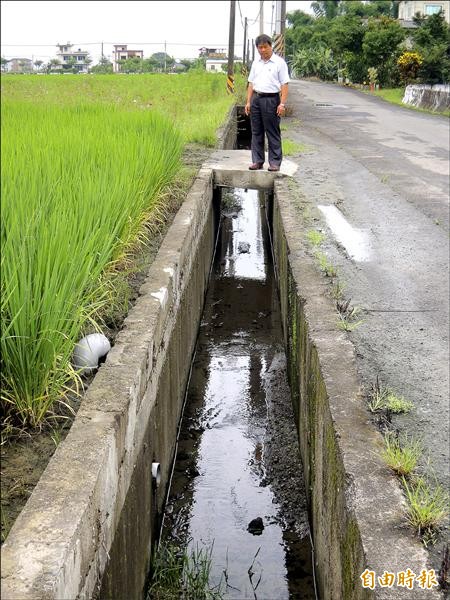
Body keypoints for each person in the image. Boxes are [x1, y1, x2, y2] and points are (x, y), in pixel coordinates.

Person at [245, 34, 290, 172]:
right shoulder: (255, 63)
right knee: (256, 131)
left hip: (271, 99)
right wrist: (248, 102)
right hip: (256, 99)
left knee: (272, 131)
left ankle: (275, 163)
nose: (263, 50)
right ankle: (257, 161)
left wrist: (281, 104)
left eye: (265, 47)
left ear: (271, 46)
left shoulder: (279, 63)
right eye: (260, 47)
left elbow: (284, 84)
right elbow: (251, 83)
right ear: (257, 48)